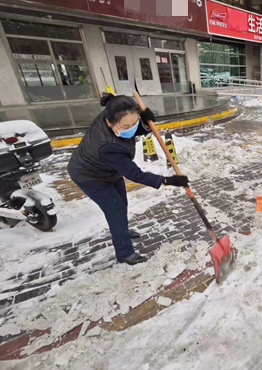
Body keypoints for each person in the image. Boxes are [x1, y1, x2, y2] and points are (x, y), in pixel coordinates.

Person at [67, 94, 189, 265]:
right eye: (127, 125)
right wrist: (168, 181)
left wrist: (145, 124)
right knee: (115, 210)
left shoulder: (114, 115)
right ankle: (125, 253)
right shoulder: (108, 146)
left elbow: (129, 129)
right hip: (90, 176)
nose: (132, 128)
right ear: (109, 122)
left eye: (135, 122)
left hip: (108, 169)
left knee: (121, 204)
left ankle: (121, 230)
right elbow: (135, 175)